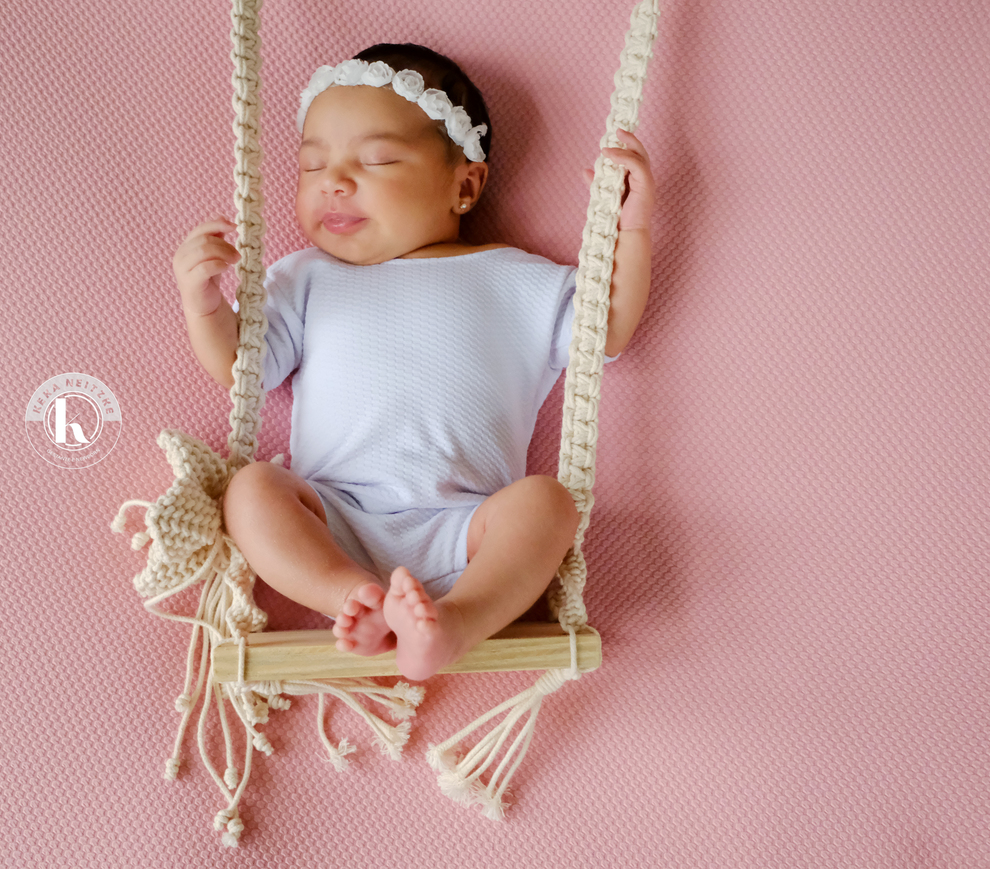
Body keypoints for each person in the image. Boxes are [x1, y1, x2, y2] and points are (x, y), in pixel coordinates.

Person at [172, 43, 655, 681]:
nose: (333, 181)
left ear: (465, 185)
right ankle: (354, 600)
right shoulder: (306, 278)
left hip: (471, 525)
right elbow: (242, 369)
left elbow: (606, 328)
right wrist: (203, 303)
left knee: (548, 504)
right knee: (253, 490)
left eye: (376, 159)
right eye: (313, 165)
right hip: (333, 517)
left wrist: (632, 230)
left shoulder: (517, 279)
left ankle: (458, 618)